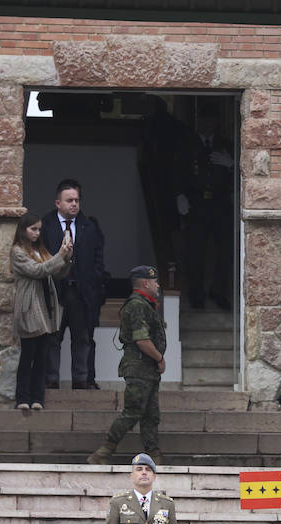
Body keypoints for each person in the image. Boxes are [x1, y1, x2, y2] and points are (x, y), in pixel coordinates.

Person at [89, 265, 167, 464]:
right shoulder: (138, 305)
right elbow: (142, 341)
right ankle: (103, 452)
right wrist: (159, 358)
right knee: (133, 412)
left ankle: (154, 454)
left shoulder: (144, 304)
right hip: (140, 367)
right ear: (145, 283)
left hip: (146, 370)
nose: (158, 285)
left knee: (150, 415)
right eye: (155, 281)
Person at [41, 178, 106, 390]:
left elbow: (98, 257)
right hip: (55, 292)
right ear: (58, 203)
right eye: (69, 200)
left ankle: (82, 380)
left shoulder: (89, 226)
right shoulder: (45, 225)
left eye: (77, 200)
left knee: (83, 338)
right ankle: (50, 380)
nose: (74, 204)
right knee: (52, 339)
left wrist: (95, 279)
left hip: (82, 293)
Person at [10, 212, 72, 411]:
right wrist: (59, 257)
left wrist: (67, 258)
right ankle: (22, 398)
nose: (37, 233)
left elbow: (56, 272)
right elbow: (39, 271)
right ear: (23, 230)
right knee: (28, 355)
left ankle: (38, 397)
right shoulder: (18, 251)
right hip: (30, 308)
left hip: (46, 306)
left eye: (39, 229)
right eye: (33, 229)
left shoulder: (41, 250)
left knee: (42, 355)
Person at [178, 106, 235, 310]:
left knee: (225, 251)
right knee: (195, 251)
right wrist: (180, 195)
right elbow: (176, 171)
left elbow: (242, 174)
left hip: (220, 203)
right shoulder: (187, 144)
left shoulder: (226, 145)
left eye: (211, 120)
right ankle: (196, 294)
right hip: (197, 203)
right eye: (204, 120)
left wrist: (231, 164)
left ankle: (218, 291)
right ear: (198, 121)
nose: (207, 124)